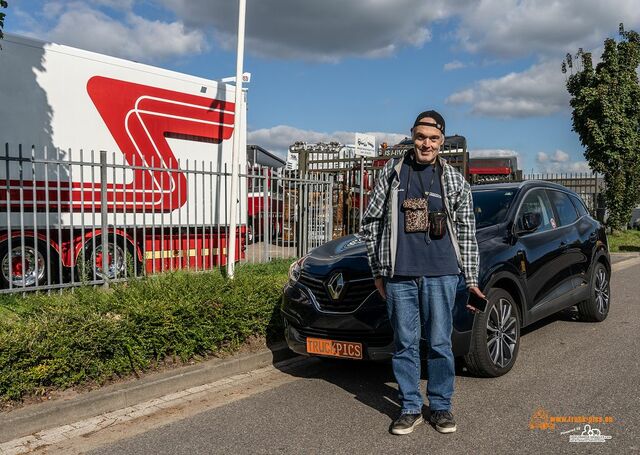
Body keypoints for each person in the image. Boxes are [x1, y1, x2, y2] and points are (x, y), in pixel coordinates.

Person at [360, 110, 483, 435]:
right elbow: (370, 222)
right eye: (420, 137)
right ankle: (410, 407)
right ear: (412, 136)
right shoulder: (393, 173)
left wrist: (471, 279)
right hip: (399, 275)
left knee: (441, 343)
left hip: (442, 274)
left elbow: (467, 233)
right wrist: (378, 269)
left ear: (442, 141)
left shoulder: (454, 180)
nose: (426, 144)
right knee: (405, 343)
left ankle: (441, 407)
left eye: (433, 139)